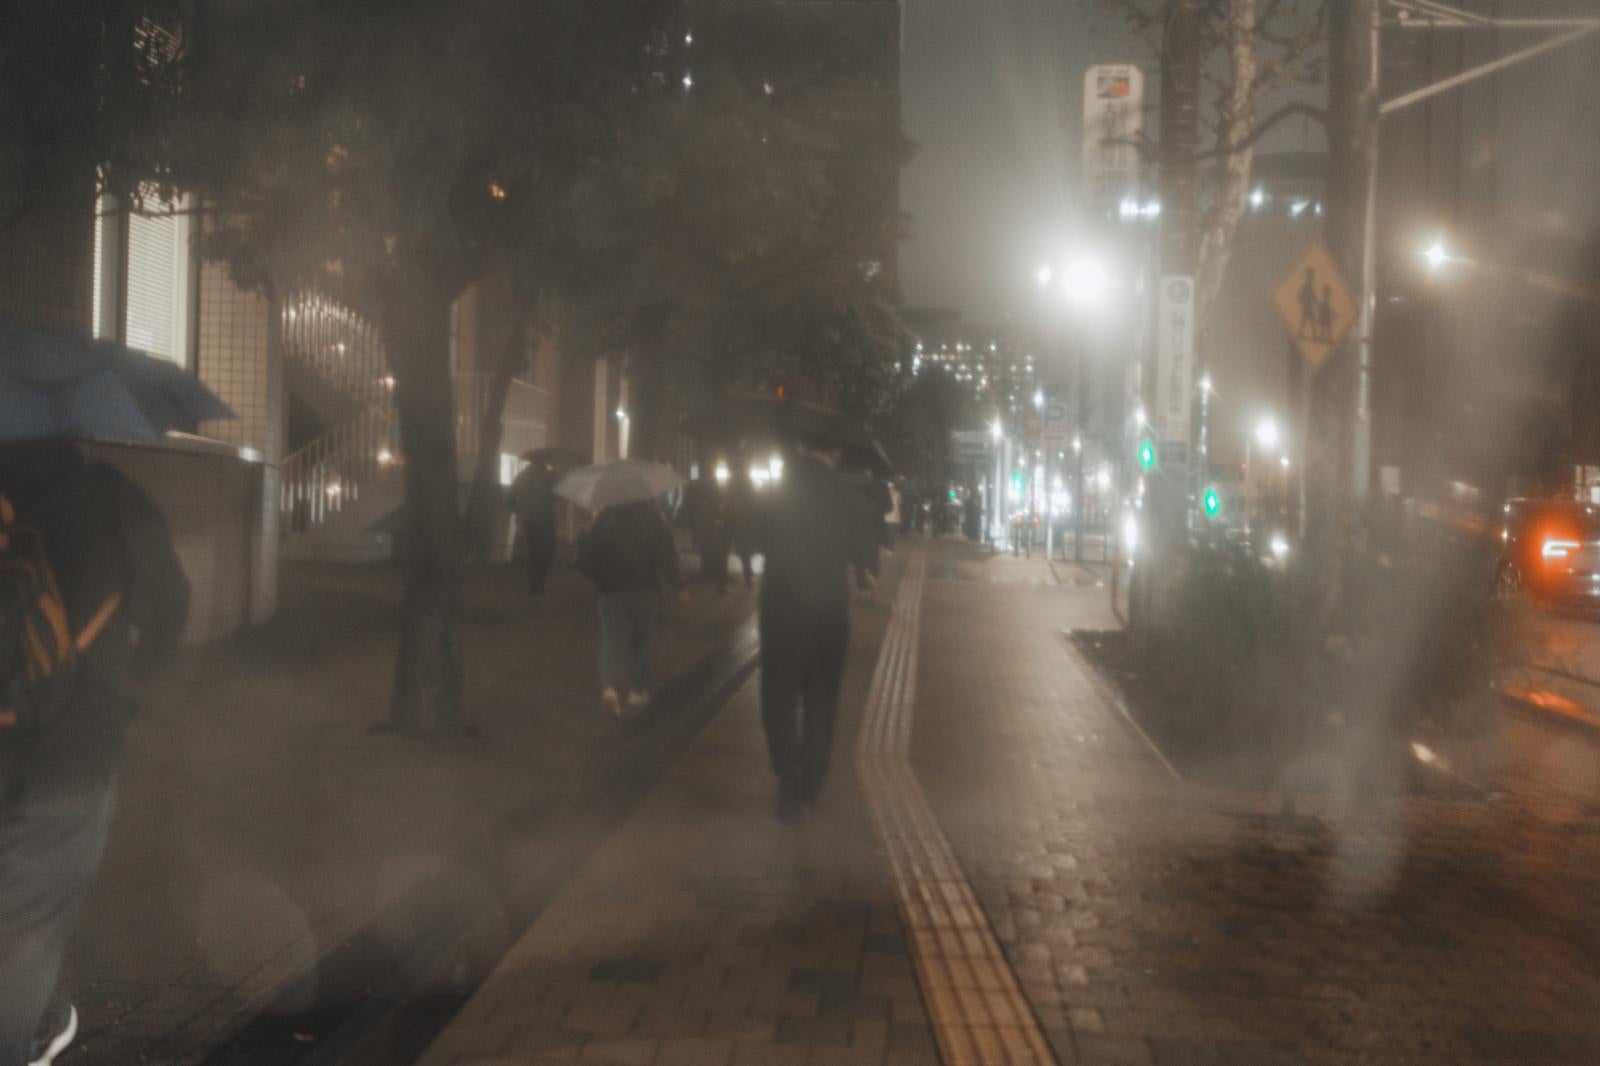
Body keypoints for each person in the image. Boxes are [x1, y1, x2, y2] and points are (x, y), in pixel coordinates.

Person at [0, 439, 188, 1066]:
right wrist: (123, 683)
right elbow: (169, 610)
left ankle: (35, 1023)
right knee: (26, 924)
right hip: (73, 754)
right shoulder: (109, 499)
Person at [756, 439, 876, 822]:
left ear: (800, 449)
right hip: (829, 614)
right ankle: (811, 784)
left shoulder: (778, 491)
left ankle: (788, 771)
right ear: (835, 453)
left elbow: (755, 534)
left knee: (778, 695)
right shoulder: (846, 496)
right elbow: (865, 550)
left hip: (782, 610)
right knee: (822, 702)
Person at [576, 498, 682, 719]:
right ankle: (637, 692)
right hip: (645, 590)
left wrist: (599, 577)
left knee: (611, 641)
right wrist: (678, 585)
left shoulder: (603, 519)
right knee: (640, 641)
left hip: (610, 590)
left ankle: (609, 688)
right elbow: (667, 555)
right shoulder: (653, 519)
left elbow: (586, 558)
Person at [508, 463, 558, 594]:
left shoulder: (522, 477)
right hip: (546, 519)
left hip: (529, 520)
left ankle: (535, 581)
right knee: (547, 550)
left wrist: (520, 511)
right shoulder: (550, 477)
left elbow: (510, 500)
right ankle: (539, 579)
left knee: (534, 551)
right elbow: (558, 496)